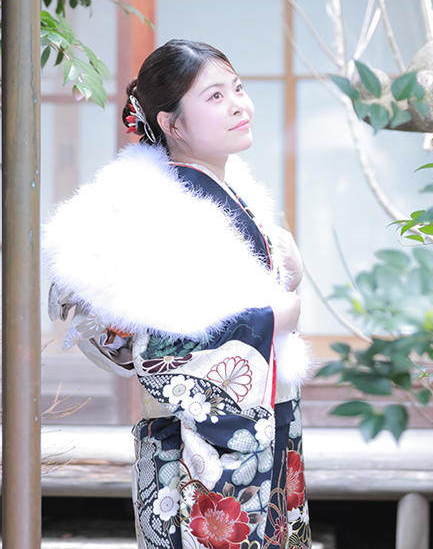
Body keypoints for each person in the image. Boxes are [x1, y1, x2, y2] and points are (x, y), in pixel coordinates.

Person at [44, 39, 313, 549]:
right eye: (215, 96)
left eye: (238, 88)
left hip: (259, 432)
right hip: (196, 454)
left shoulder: (223, 194)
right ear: (171, 123)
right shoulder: (158, 209)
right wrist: (267, 319)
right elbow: (157, 347)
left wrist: (283, 279)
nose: (239, 104)